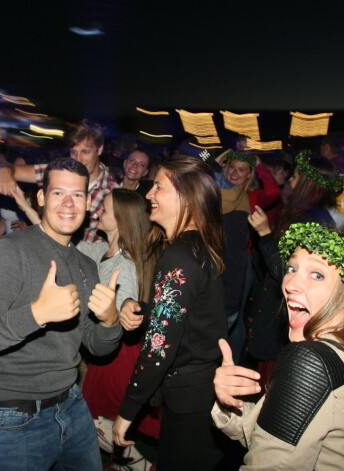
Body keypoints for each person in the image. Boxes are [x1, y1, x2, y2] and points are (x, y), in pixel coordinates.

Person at [0, 158, 123, 471]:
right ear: (42, 198)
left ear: (88, 203)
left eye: (77, 195)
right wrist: (36, 313)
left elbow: (97, 347)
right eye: (59, 193)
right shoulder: (11, 251)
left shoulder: (86, 265)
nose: (69, 204)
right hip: (15, 414)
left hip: (71, 403)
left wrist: (110, 321)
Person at [212, 222, 344, 471]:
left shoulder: (312, 361)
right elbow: (278, 440)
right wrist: (229, 406)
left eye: (317, 275)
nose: (290, 284)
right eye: (292, 268)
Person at [112, 155, 228, 470]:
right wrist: (142, 308)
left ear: (185, 197)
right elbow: (183, 311)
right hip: (200, 390)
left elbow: (158, 347)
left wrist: (127, 411)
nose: (149, 194)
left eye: (158, 187)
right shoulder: (198, 244)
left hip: (192, 397)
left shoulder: (181, 254)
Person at [246, 151, 344, 384]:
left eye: (295, 176)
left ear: (308, 183)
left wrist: (264, 233)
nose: (291, 181)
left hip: (287, 320)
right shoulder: (309, 214)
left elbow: (285, 271)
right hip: (285, 318)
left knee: (273, 389)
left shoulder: (309, 220)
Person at [78, 189, 159, 468]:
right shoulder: (104, 248)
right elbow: (70, 247)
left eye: (106, 208)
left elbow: (128, 299)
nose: (99, 209)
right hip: (107, 349)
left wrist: (126, 306)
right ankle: (125, 461)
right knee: (98, 415)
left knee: (91, 416)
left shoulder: (124, 262)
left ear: (122, 219)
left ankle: (138, 464)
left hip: (118, 355)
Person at [0, 119, 118, 242]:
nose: (78, 159)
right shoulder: (60, 173)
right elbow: (13, 170)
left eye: (85, 152)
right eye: (73, 152)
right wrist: (5, 171)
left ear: (100, 149)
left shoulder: (112, 192)